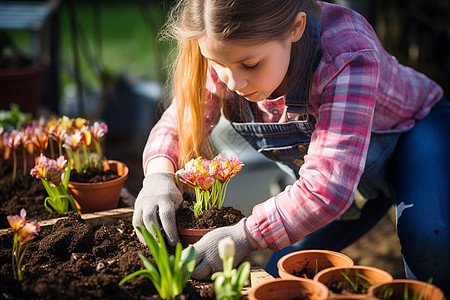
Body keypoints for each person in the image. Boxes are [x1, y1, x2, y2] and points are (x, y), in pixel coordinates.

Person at [132, 0, 450, 293]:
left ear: (295, 28)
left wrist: (243, 236)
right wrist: (158, 174)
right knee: (282, 275)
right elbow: (182, 119)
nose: (233, 83)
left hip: (413, 133)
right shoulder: (231, 55)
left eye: (251, 64)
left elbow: (328, 185)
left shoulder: (346, 52)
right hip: (345, 173)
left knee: (431, 240)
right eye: (216, 64)